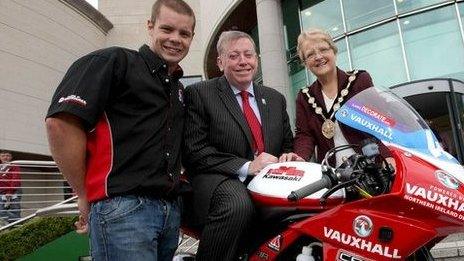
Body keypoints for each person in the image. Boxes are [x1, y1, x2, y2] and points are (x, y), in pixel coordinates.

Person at [45, 0, 195, 260]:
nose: (175, 39)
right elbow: (60, 123)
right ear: (150, 26)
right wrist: (82, 193)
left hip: (169, 213)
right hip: (123, 209)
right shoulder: (114, 61)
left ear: (192, 37)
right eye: (167, 29)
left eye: (184, 34)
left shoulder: (177, 88)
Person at [183, 30, 300, 261]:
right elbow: (194, 151)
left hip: (270, 181)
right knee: (237, 204)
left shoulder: (275, 98)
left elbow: (287, 144)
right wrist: (247, 166)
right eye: (234, 56)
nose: (243, 61)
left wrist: (290, 157)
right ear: (220, 62)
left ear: (256, 59)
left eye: (248, 55)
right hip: (218, 179)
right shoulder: (200, 93)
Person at [292, 28, 393, 167]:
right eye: (310, 54)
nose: (318, 57)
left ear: (333, 51)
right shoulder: (305, 96)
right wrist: (299, 158)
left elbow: (379, 122)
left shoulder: (359, 80)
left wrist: (387, 156)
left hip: (370, 170)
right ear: (305, 63)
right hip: (333, 178)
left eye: (323, 49)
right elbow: (304, 135)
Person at [0, 150, 21, 224]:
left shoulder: (14, 166)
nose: (5, 157)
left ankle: (17, 223)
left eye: (7, 155)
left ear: (11, 157)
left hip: (13, 192)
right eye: (3, 155)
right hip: (1, 192)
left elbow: (15, 179)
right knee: (1, 212)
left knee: (15, 211)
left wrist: (10, 192)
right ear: (0, 157)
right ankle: (17, 222)